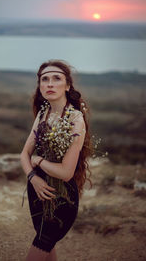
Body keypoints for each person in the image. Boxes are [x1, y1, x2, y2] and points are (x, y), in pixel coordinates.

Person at [20, 60, 92, 261]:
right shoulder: (44, 113)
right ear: (40, 86)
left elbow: (66, 173)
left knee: (40, 247)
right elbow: (24, 154)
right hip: (37, 191)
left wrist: (39, 161)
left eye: (56, 78)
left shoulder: (75, 119)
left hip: (61, 197)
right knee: (47, 249)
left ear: (68, 86)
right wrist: (33, 177)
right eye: (45, 79)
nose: (50, 84)